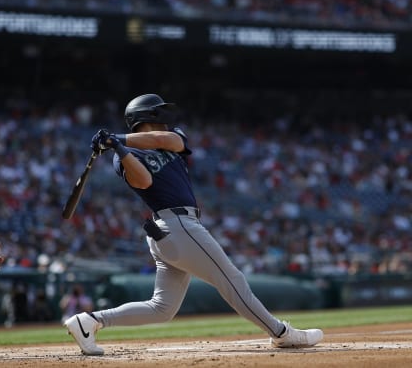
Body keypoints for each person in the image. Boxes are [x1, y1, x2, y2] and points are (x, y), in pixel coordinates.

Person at [64, 94, 324, 355]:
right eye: (159, 112)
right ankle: (281, 333)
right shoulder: (122, 157)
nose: (166, 116)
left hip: (177, 230)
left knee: (162, 308)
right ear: (148, 115)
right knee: (233, 281)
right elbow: (144, 182)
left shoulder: (171, 137)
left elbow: (164, 141)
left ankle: (89, 321)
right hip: (175, 226)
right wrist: (119, 150)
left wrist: (117, 140)